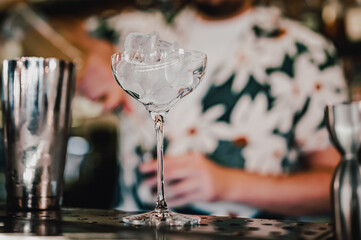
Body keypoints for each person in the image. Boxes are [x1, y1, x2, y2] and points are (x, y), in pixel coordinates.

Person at [78, 0, 348, 219]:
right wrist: (99, 54)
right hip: (128, 229)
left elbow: (335, 185)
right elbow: (77, 30)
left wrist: (227, 185)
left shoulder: (308, 52)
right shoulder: (138, 26)